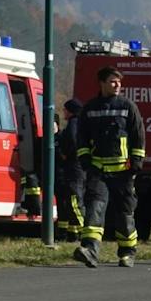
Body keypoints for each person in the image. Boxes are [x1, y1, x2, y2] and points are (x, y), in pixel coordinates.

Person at [73, 67, 146, 269]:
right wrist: (85, 159)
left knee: (124, 214)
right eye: (113, 81)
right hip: (98, 171)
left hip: (123, 171)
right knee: (94, 210)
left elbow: (138, 135)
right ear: (102, 83)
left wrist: (136, 162)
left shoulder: (127, 106)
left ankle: (127, 253)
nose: (117, 85)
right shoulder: (90, 108)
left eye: (119, 82)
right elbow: (82, 138)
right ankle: (90, 250)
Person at [55, 98, 86, 243]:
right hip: (76, 168)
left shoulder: (74, 123)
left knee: (74, 201)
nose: (63, 112)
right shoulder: (79, 123)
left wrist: (66, 153)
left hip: (74, 168)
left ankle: (85, 231)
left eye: (65, 109)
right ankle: (73, 233)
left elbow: (73, 142)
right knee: (71, 201)